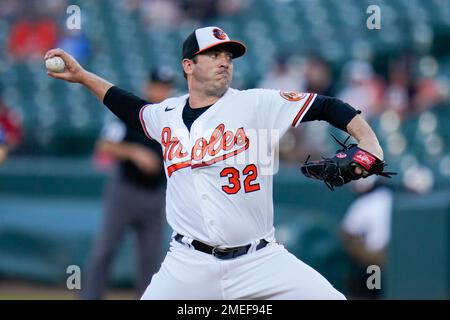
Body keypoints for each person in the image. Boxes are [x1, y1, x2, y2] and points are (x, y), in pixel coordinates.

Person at [45, 26, 386, 300]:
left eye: (228, 55)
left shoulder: (256, 104)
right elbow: (129, 108)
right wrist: (84, 76)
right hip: (188, 264)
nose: (224, 61)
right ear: (188, 66)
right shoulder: (165, 114)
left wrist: (369, 142)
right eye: (213, 54)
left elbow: (327, 106)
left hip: (260, 259)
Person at [80, 67, 174, 300]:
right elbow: (103, 145)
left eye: (165, 86)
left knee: (151, 261)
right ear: (148, 86)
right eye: (157, 85)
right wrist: (134, 152)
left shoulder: (172, 118)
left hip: (155, 195)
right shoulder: (132, 112)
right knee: (105, 250)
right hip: (125, 191)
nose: (160, 90)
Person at [340, 176, 394, 299]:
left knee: (371, 290)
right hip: (390, 255)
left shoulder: (364, 203)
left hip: (375, 259)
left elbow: (348, 231)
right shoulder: (389, 196)